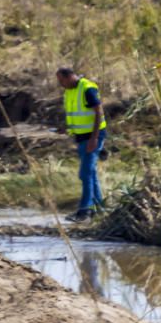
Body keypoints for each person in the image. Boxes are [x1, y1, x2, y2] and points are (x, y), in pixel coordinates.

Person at [57, 65, 106, 220]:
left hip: (93, 137)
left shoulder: (87, 88)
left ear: (70, 76)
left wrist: (94, 138)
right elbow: (76, 114)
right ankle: (100, 208)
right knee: (90, 173)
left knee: (84, 173)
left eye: (61, 80)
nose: (60, 84)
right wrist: (66, 128)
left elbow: (99, 112)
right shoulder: (69, 91)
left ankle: (85, 210)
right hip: (81, 137)